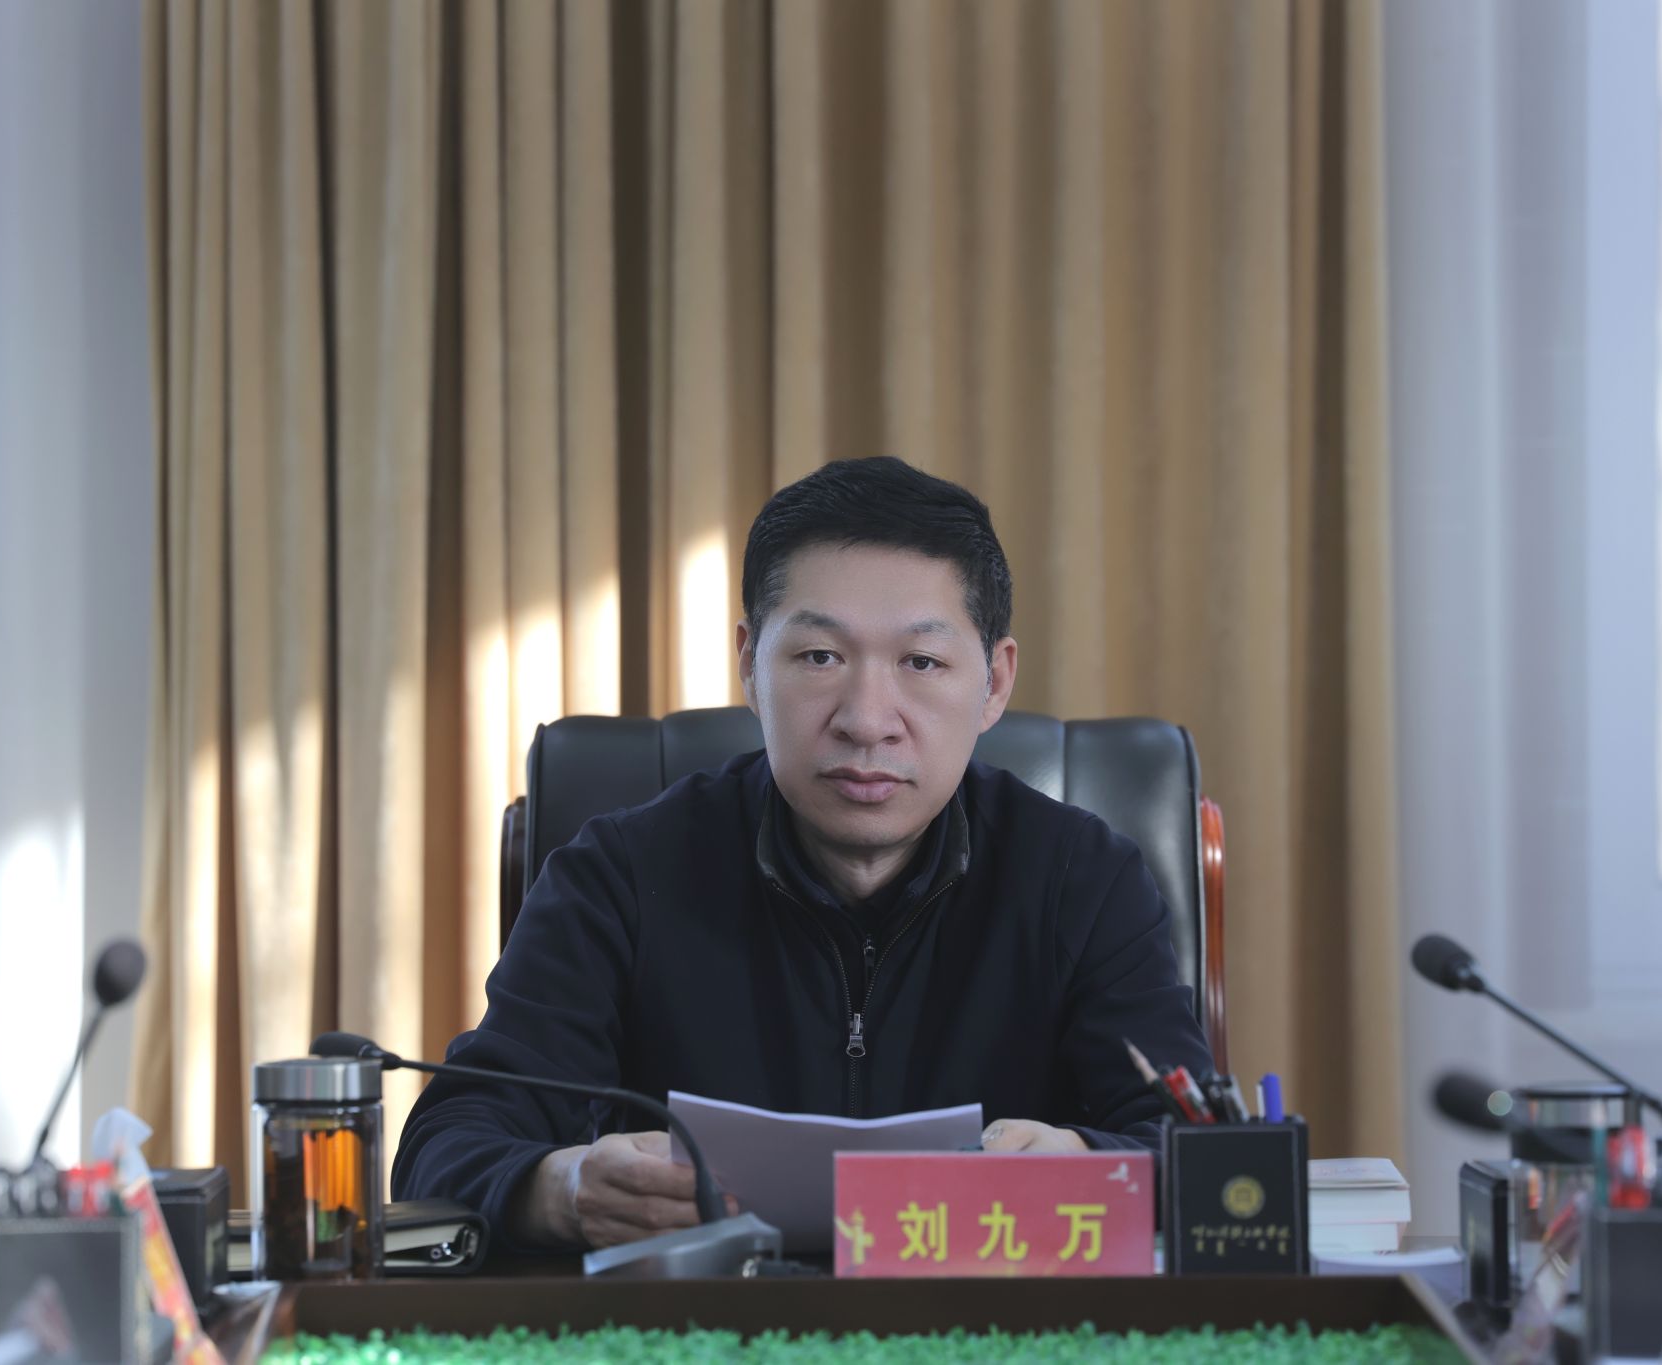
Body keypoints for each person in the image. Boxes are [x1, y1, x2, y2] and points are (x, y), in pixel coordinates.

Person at [393, 456, 1212, 1251]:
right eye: (820, 656)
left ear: (994, 681)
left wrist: (1088, 1162)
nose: (867, 719)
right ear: (750, 663)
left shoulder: (1083, 879)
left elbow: (1203, 1153)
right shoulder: (619, 875)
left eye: (921, 662)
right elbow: (446, 1142)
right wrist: (564, 1188)